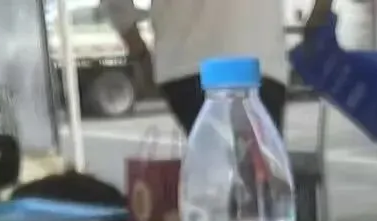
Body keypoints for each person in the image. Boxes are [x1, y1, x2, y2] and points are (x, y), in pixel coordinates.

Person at [103, 0, 334, 135]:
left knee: (218, 178)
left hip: (186, 62)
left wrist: (140, 54)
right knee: (258, 181)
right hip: (258, 59)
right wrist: (320, 13)